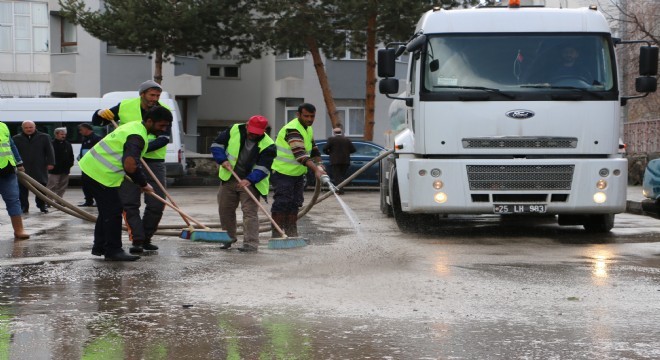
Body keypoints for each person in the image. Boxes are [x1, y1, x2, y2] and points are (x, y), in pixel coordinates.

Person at [79, 106, 172, 261]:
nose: (163, 130)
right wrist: (143, 183)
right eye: (161, 125)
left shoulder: (135, 126)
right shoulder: (137, 136)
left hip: (93, 169)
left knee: (106, 212)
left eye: (166, 126)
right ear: (149, 121)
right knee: (113, 212)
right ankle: (113, 250)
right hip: (99, 174)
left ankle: (100, 246)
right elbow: (130, 165)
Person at [94, 80, 170, 254]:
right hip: (129, 162)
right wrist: (100, 113)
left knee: (157, 203)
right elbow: (98, 121)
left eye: (158, 95)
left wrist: (141, 150)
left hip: (154, 162)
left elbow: (164, 138)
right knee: (129, 203)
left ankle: (147, 237)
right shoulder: (125, 106)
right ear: (142, 94)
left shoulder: (163, 111)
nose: (155, 99)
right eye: (152, 95)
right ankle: (138, 239)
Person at [211, 115, 276, 252]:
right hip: (229, 177)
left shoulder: (269, 145)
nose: (253, 135)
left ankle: (250, 243)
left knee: (249, 213)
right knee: (225, 209)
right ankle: (228, 239)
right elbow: (217, 145)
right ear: (247, 126)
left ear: (263, 131)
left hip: (251, 182)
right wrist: (222, 159)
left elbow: (263, 167)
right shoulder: (234, 129)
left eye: (256, 133)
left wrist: (250, 180)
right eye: (251, 132)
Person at [270, 103, 327, 237]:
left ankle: (291, 233)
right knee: (282, 202)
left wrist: (320, 163)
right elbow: (300, 154)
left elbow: (313, 148)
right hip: (282, 173)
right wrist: (316, 170)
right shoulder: (293, 129)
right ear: (298, 115)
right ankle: (277, 235)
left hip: (297, 174)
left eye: (312, 116)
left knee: (294, 203)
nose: (309, 119)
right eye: (306, 116)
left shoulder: (307, 128)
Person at [12, 120, 55, 214]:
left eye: (30, 127)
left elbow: (50, 151)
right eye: (26, 128)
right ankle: (24, 207)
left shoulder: (44, 137)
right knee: (22, 189)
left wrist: (51, 163)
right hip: (23, 168)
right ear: (22, 128)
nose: (28, 129)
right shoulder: (16, 138)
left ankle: (41, 206)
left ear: (35, 127)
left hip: (39, 167)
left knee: (41, 187)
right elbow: (13, 153)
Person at [0, 120, 30, 240]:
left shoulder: (2, 126)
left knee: (13, 199)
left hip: (7, 169)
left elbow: (11, 145)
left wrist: (19, 162)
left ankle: (19, 229)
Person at [323, 126, 355, 194]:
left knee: (337, 176)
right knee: (341, 176)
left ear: (334, 133)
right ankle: (340, 189)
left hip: (335, 161)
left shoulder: (331, 139)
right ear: (341, 132)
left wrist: (330, 153)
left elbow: (325, 149)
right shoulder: (347, 140)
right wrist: (346, 153)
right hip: (345, 161)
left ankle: (340, 190)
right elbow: (353, 149)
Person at [77, 123, 102, 207]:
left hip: (93, 166)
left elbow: (99, 152)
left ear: (86, 129)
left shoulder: (96, 138)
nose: (80, 132)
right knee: (85, 184)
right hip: (85, 166)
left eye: (81, 130)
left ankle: (98, 201)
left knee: (94, 184)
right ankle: (88, 200)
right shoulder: (85, 139)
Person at [46, 127, 74, 200]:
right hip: (54, 170)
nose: (63, 136)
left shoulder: (68, 144)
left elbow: (71, 155)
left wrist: (70, 164)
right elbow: (47, 155)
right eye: (62, 134)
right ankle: (48, 201)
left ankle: (59, 200)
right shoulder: (51, 144)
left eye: (64, 134)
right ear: (56, 134)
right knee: (51, 186)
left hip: (65, 169)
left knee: (62, 186)